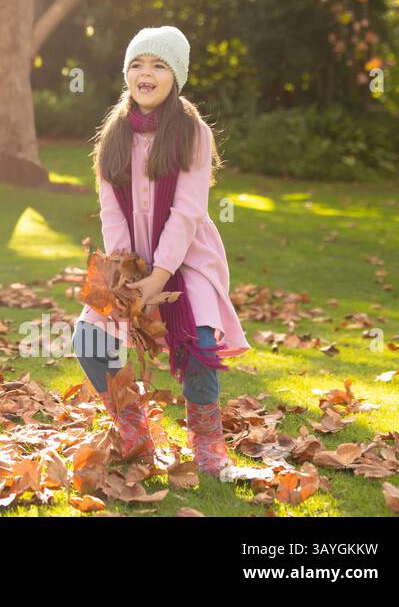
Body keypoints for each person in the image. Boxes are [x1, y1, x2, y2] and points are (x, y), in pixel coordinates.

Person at [71, 25, 265, 482]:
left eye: (158, 65)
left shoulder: (193, 133)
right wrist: (122, 271)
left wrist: (159, 275)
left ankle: (208, 446)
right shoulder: (114, 135)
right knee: (88, 340)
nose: (146, 73)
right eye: (137, 64)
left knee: (199, 344)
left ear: (175, 75)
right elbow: (110, 211)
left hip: (187, 258)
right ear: (126, 74)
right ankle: (133, 427)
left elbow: (187, 212)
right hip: (128, 260)